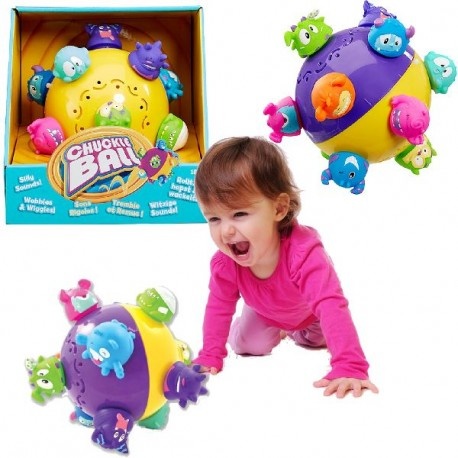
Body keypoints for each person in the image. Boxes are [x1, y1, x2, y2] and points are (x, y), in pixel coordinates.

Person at [192, 136, 378, 398]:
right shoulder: (226, 263)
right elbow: (218, 305)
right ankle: (268, 325)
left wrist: (350, 365)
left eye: (239, 214)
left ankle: (294, 332)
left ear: (279, 208)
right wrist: (211, 354)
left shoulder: (304, 253)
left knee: (316, 340)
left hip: (309, 314)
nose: (226, 231)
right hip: (262, 310)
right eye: (214, 219)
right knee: (248, 346)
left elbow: (329, 303)